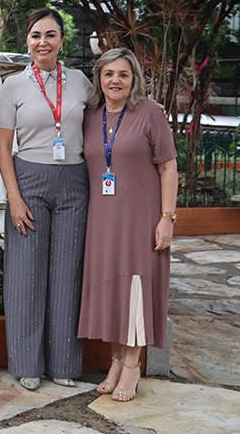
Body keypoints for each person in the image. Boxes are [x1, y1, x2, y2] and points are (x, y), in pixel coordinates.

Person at [0, 8, 94, 390]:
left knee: (68, 274)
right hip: (29, 181)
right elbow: (3, 147)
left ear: (62, 40)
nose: (43, 42)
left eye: (51, 35)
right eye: (36, 35)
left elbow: (107, 117)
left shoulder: (81, 82)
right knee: (25, 275)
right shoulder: (13, 86)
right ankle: (27, 364)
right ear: (27, 40)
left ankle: (65, 365)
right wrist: (14, 197)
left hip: (74, 183)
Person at [78, 48, 178, 402]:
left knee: (135, 289)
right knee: (112, 290)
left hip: (141, 218)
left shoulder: (149, 114)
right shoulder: (89, 115)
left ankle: (133, 366)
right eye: (108, 74)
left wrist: (167, 218)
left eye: (123, 74)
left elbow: (168, 167)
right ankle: (116, 362)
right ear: (99, 78)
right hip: (102, 220)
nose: (115, 80)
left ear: (134, 79)